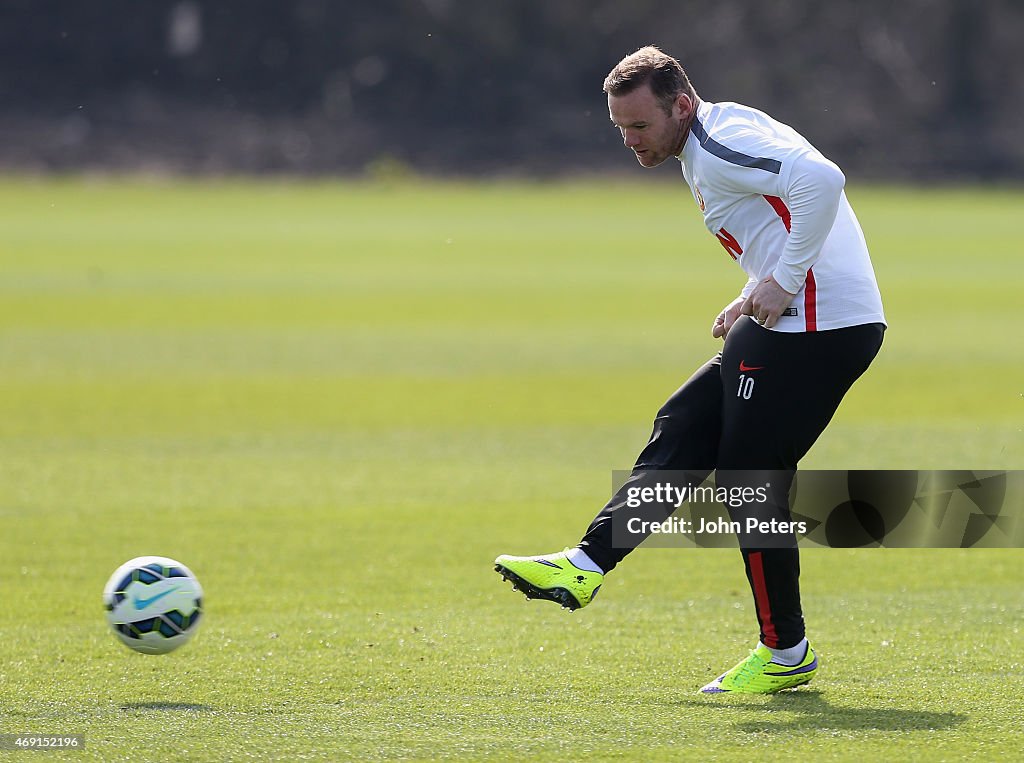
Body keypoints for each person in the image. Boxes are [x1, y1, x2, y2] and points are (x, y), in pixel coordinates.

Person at [494, 46, 886, 694]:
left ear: (680, 105)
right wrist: (757, 286)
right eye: (620, 128)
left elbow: (824, 181)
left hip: (822, 324)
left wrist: (784, 281)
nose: (629, 140)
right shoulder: (706, 140)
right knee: (683, 423)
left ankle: (785, 651)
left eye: (640, 126)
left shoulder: (722, 140)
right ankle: (585, 563)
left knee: (747, 478)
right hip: (796, 317)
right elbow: (785, 210)